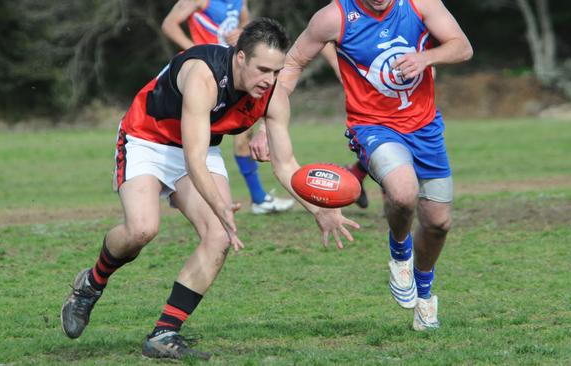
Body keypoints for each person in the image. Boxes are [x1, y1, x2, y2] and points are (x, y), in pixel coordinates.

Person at [60, 18, 358, 360]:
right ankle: (91, 284)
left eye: (276, 72)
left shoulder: (272, 96)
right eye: (263, 69)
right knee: (142, 229)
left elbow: (286, 165)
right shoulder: (203, 76)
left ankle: (164, 333)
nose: (270, 80)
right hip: (147, 139)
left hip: (199, 148)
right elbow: (194, 162)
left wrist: (319, 209)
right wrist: (220, 204)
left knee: (219, 236)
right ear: (241, 57)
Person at [262, 0, 473, 331]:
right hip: (372, 126)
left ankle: (425, 296)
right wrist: (268, 120)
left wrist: (426, 57)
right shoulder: (334, 16)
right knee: (403, 193)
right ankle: (400, 253)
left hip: (426, 128)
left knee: (438, 223)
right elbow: (292, 63)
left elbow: (462, 47)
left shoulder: (421, 5)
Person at [161, 0, 294, 214]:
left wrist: (242, 33)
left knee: (243, 137)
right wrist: (195, 51)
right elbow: (169, 25)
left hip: (238, 74)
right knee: (194, 140)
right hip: (207, 73)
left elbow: (246, 24)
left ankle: (258, 197)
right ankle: (182, 188)